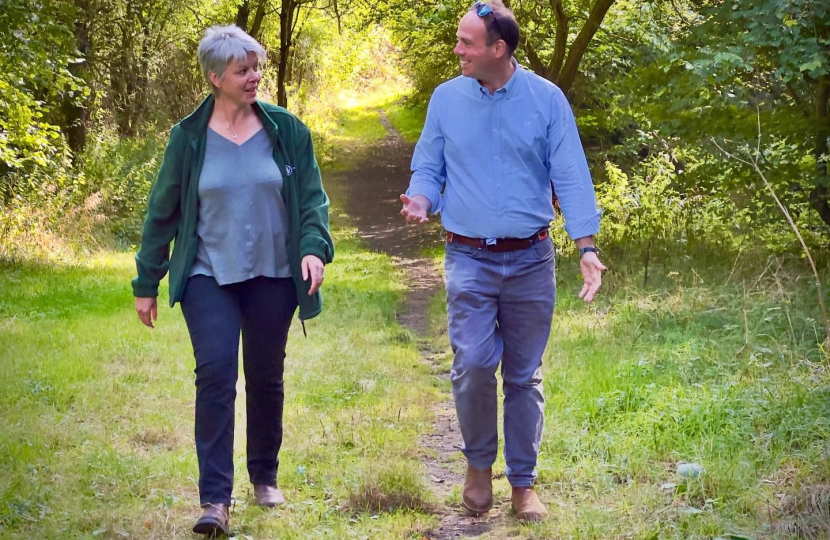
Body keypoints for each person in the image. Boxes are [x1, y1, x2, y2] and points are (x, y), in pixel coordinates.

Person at [400, 0, 606, 522]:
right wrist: (421, 200)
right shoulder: (446, 99)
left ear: (499, 48)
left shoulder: (546, 100)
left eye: (466, 41)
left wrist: (586, 247)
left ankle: (522, 483)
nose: (457, 49)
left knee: (523, 375)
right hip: (467, 255)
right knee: (472, 365)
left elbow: (571, 175)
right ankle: (476, 467)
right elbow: (428, 165)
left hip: (531, 260)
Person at [131, 25, 333, 536]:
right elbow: (163, 210)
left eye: (256, 68)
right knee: (216, 373)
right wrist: (146, 280)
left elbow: (312, 202)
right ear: (214, 77)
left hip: (273, 272)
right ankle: (215, 500)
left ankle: (264, 475)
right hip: (208, 274)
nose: (254, 78)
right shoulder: (188, 138)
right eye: (243, 70)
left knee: (265, 375)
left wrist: (313, 251)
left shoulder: (286, 130)